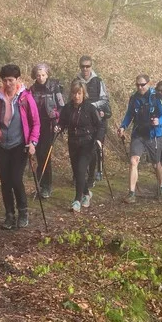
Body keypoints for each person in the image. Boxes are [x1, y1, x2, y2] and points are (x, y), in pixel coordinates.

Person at [0, 64, 40, 229]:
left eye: (11, 80)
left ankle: (23, 212)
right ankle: (9, 214)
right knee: (5, 181)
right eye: (5, 80)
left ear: (18, 79)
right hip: (1, 146)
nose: (8, 83)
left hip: (20, 145)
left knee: (16, 179)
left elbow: (36, 123)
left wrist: (33, 142)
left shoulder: (26, 98)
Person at [118, 74, 162, 203]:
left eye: (142, 85)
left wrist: (159, 121)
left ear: (148, 84)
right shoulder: (134, 98)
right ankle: (131, 193)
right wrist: (123, 126)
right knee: (133, 161)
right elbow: (129, 114)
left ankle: (161, 186)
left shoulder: (156, 97)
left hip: (153, 134)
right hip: (138, 134)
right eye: (137, 85)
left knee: (156, 164)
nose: (140, 87)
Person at [58, 80, 102, 212]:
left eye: (79, 93)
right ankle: (87, 194)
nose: (76, 96)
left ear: (83, 94)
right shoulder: (67, 108)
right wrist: (58, 127)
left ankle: (77, 199)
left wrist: (98, 139)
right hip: (73, 143)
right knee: (77, 172)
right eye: (74, 93)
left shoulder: (90, 108)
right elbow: (62, 123)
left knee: (81, 169)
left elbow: (100, 126)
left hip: (88, 143)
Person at [29, 63, 65, 198]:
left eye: (43, 75)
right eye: (38, 75)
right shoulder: (32, 89)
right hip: (36, 125)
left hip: (50, 125)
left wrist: (58, 121)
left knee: (45, 155)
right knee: (38, 155)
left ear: (47, 74)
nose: (40, 77)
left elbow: (62, 107)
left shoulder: (54, 87)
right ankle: (40, 184)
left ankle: (46, 186)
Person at [74, 55, 110, 186]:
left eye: (87, 66)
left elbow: (105, 100)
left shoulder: (98, 81)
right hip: (80, 120)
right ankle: (79, 175)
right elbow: (71, 97)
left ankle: (92, 176)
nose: (85, 69)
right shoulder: (76, 80)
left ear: (91, 66)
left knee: (94, 149)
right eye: (82, 66)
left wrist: (91, 107)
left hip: (95, 119)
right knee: (78, 149)